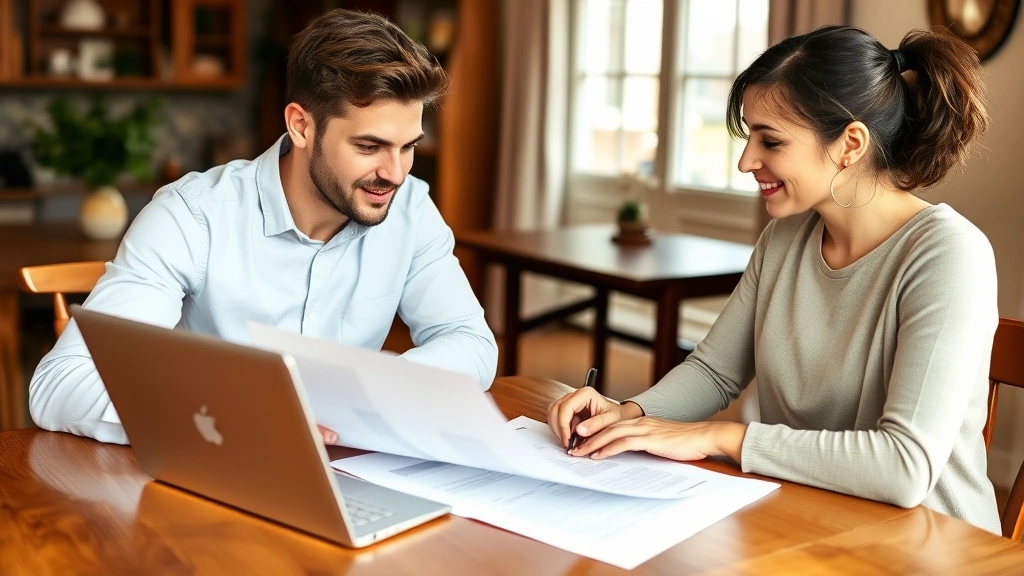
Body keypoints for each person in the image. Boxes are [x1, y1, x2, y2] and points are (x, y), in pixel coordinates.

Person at [548, 25, 1001, 533]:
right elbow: (715, 372)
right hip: (812, 518)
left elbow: (904, 467)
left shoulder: (948, 254)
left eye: (771, 140)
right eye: (748, 136)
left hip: (929, 545)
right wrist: (628, 414)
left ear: (850, 143)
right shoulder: (785, 238)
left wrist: (719, 438)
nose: (746, 161)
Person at [30, 9, 498, 445]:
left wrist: (374, 387)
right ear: (301, 126)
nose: (396, 173)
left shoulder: (410, 208)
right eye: (370, 146)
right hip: (213, 469)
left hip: (349, 470)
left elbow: (471, 343)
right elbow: (63, 383)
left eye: (408, 146)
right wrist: (244, 419)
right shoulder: (193, 216)